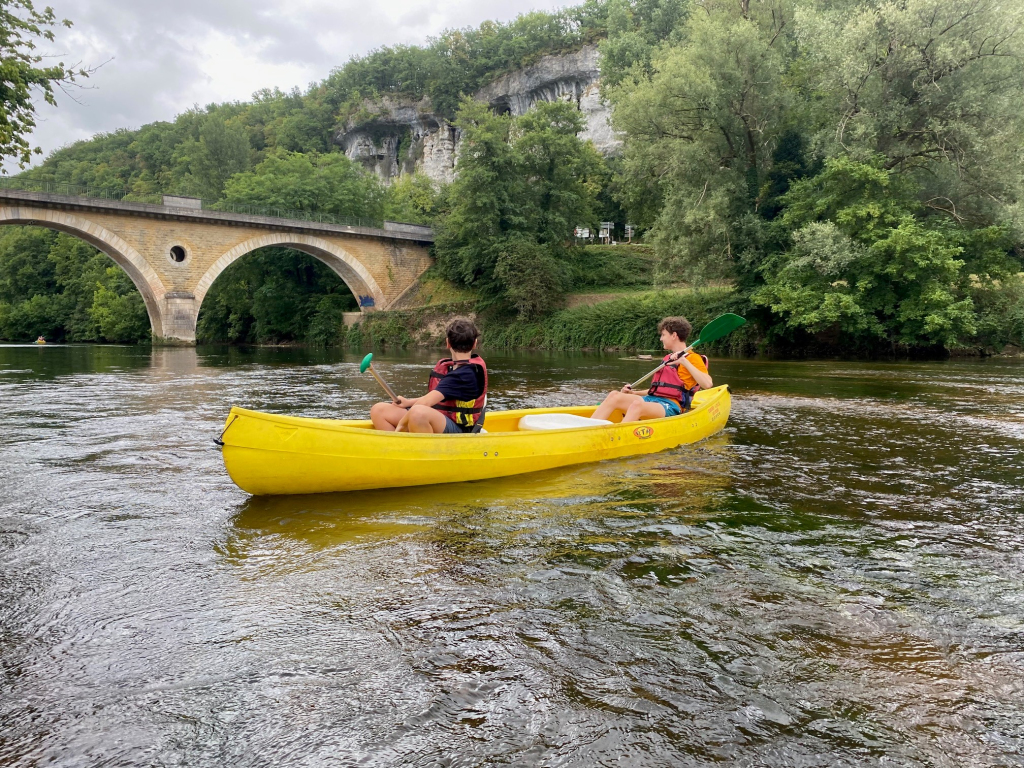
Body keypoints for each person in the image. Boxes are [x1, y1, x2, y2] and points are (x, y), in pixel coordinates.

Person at [369, 318, 487, 434]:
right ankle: (398, 449)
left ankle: (403, 442)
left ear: (448, 343)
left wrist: (399, 428)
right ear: (475, 344)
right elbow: (433, 399)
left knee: (418, 413)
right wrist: (408, 402)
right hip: (441, 418)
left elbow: (423, 404)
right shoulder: (451, 367)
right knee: (379, 410)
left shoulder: (466, 374)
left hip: (461, 430)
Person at [591, 316, 712, 423]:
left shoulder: (693, 358)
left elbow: (707, 384)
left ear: (674, 335)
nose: (661, 339)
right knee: (614, 396)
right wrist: (634, 393)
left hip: (671, 405)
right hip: (653, 399)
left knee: (637, 405)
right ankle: (586, 428)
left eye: (663, 335)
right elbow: (660, 389)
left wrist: (684, 361)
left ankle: (617, 437)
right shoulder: (667, 358)